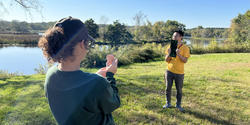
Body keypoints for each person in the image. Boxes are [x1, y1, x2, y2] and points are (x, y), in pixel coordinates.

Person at [38, 16, 120, 125]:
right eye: (87, 43)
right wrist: (110, 75)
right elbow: (113, 103)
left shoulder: (50, 75)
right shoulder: (97, 84)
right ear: (82, 44)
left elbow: (76, 90)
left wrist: (96, 76)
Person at [163, 30, 190, 112]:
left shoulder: (185, 48)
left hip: (179, 73)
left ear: (180, 37)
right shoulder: (170, 46)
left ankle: (178, 105)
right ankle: (168, 103)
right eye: (173, 36)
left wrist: (178, 54)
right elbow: (166, 60)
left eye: (176, 36)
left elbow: (185, 60)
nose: (174, 37)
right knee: (168, 88)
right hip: (169, 71)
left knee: (179, 90)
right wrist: (169, 53)